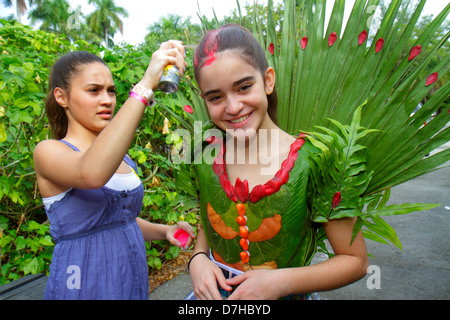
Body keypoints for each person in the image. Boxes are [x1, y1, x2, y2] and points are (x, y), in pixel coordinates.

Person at [187, 24, 368, 300]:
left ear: (268, 80)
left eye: (244, 87)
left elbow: (355, 261)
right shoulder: (205, 157)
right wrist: (198, 258)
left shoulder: (317, 161)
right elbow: (210, 219)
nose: (233, 107)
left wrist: (280, 282)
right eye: (216, 97)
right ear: (205, 100)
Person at [33, 41, 195, 300]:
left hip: (129, 278)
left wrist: (164, 231)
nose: (106, 100)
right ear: (61, 96)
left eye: (110, 91)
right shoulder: (49, 151)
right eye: (93, 91)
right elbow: (91, 174)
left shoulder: (122, 158)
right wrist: (145, 86)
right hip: (84, 281)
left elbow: (120, 220)